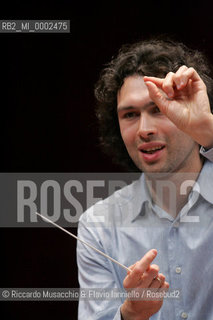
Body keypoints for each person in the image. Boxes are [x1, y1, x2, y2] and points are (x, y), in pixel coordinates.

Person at [77, 38, 213, 319]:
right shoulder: (98, 227)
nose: (144, 129)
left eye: (158, 109)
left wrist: (206, 128)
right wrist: (131, 313)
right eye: (130, 115)